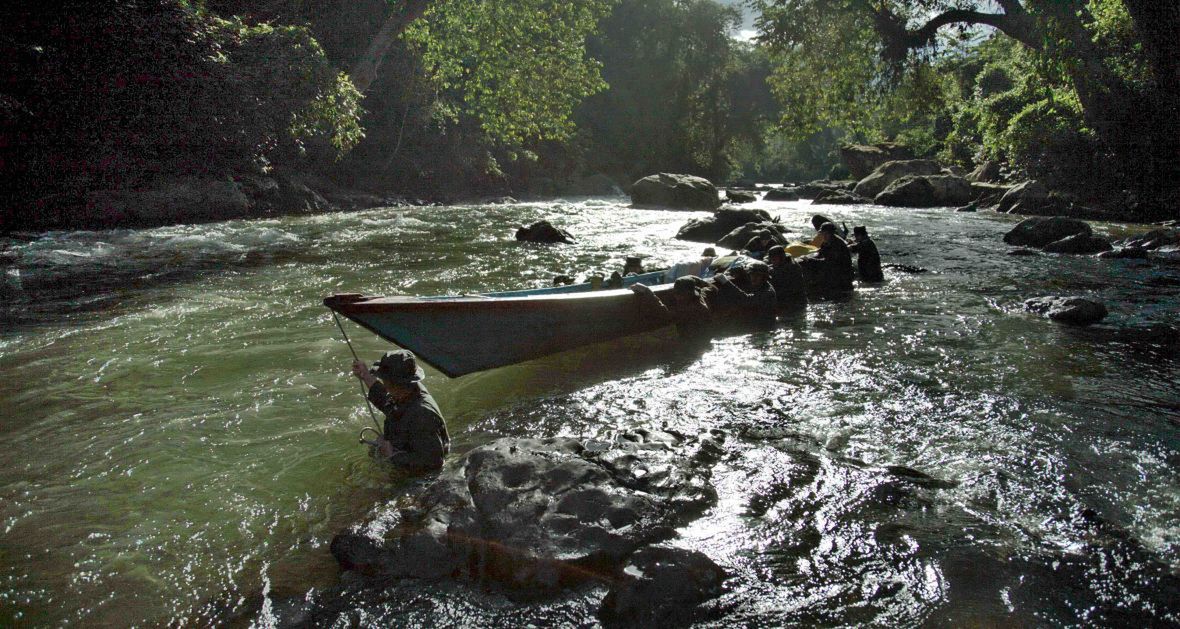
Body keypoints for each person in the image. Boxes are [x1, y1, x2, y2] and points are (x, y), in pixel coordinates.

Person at [350, 349, 450, 471]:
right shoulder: (408, 390)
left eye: (384, 379)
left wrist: (392, 455)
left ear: (394, 384)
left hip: (420, 480)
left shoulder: (422, 415)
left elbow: (433, 463)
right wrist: (365, 375)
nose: (383, 382)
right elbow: (387, 401)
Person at [630, 276, 715, 337]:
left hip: (693, 341)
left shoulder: (692, 308)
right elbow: (712, 288)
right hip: (703, 335)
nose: (676, 296)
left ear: (687, 295)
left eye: (678, 294)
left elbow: (665, 315)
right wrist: (699, 280)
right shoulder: (700, 295)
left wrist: (648, 292)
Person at [800, 222, 854, 294]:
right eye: (823, 234)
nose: (824, 236)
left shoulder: (838, 245)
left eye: (826, 234)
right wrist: (808, 258)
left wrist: (810, 260)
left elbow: (829, 262)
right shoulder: (825, 243)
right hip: (832, 274)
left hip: (841, 277)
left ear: (832, 233)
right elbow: (820, 255)